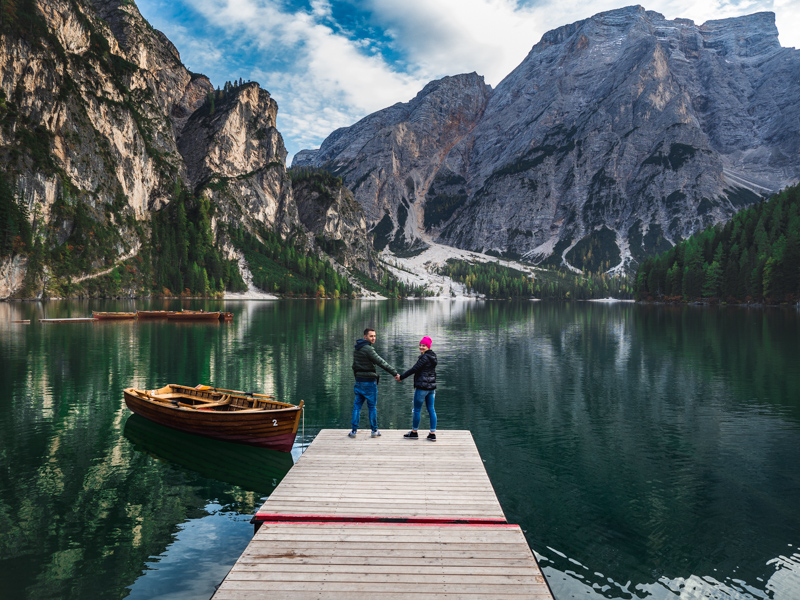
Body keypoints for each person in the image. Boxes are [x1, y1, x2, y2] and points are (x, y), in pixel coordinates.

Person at [350, 327, 400, 438]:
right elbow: (381, 362)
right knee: (372, 407)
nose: (373, 338)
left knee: (357, 407)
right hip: (369, 382)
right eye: (371, 336)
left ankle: (353, 431)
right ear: (365, 337)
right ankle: (374, 431)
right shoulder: (368, 349)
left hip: (359, 381)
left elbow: (354, 366)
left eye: (374, 336)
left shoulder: (357, 348)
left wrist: (357, 377)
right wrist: (395, 373)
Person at [400, 336, 437, 441]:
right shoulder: (433, 357)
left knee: (416, 410)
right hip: (431, 388)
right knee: (431, 409)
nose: (421, 347)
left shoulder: (424, 358)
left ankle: (414, 432)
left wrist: (401, 377)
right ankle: (432, 433)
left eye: (423, 345)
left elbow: (414, 369)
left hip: (422, 387)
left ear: (428, 346)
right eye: (420, 345)